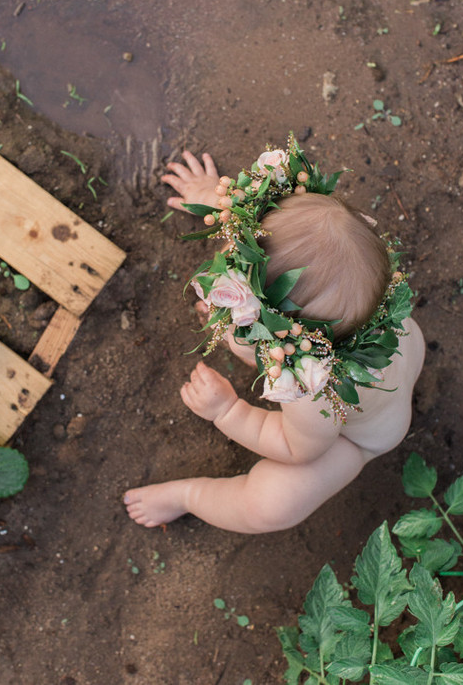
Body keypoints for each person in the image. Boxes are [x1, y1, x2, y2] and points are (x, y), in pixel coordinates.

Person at [124, 147, 425, 534]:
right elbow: (282, 244)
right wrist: (209, 198)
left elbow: (298, 449)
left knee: (270, 505)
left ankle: (189, 496)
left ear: (294, 347)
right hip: (398, 360)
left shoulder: (311, 388)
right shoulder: (363, 293)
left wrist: (227, 412)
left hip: (355, 438)